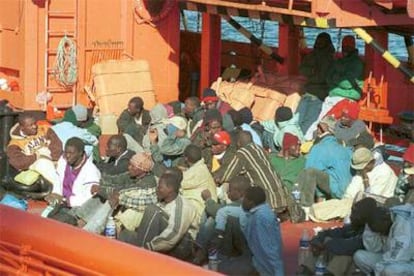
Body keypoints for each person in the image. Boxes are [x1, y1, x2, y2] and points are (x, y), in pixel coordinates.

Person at [118, 172, 199, 261]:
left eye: (160, 187)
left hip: (182, 245)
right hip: (161, 240)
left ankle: (141, 257)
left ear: (170, 189)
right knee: (125, 234)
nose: (157, 190)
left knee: (152, 210)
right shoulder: (163, 200)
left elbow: (174, 234)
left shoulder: (182, 206)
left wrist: (148, 247)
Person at [309, 147, 397, 222]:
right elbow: (351, 190)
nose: (361, 170)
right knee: (338, 204)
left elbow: (371, 199)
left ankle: (319, 214)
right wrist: (345, 200)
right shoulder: (364, 169)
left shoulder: (384, 173)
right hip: (358, 200)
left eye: (362, 167)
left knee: (344, 208)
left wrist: (366, 179)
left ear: (371, 162)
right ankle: (313, 211)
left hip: (378, 205)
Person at [304, 35, 364, 140]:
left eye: (348, 47)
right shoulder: (338, 61)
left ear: (353, 47)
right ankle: (309, 139)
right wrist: (339, 78)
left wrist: (336, 78)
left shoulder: (356, 63)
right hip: (332, 96)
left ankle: (313, 140)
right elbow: (328, 77)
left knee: (328, 122)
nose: (345, 49)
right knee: (320, 119)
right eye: (344, 46)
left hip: (346, 98)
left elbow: (347, 83)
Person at [300, 198, 377, 275]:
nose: (350, 216)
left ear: (364, 217)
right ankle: (306, 271)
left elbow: (349, 247)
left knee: (344, 256)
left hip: (359, 269)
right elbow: (329, 232)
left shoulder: (369, 234)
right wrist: (318, 239)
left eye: (355, 213)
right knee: (324, 241)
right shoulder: (352, 227)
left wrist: (325, 244)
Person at [216, 131, 288, 213]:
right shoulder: (259, 148)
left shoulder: (242, 153)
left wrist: (216, 178)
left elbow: (227, 175)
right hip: (282, 198)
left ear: (238, 143)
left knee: (229, 187)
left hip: (267, 202)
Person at [298, 115, 352, 209]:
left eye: (318, 127)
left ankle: (305, 206)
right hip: (349, 190)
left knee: (309, 172)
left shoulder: (319, 148)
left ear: (323, 128)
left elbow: (310, 171)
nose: (316, 130)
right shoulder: (344, 148)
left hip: (338, 191)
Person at [353, 204, 414, 275]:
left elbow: (396, 258)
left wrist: (376, 272)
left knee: (390, 271)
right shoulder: (386, 217)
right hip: (390, 257)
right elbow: (374, 248)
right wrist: (370, 230)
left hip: (408, 261)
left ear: (386, 220)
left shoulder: (404, 229)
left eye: (381, 231)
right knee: (359, 256)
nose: (381, 233)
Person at [240, 186, 285, 276]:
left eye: (244, 198)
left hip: (265, 268)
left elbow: (267, 247)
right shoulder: (262, 212)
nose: (242, 201)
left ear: (251, 202)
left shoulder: (259, 217)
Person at [297, 32, 335, 134]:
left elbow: (323, 77)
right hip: (309, 93)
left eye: (321, 42)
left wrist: (312, 73)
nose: (319, 44)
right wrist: (312, 71)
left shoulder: (328, 58)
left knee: (306, 122)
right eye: (318, 42)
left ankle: (299, 141)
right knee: (299, 121)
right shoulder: (313, 55)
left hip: (318, 95)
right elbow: (301, 69)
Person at [46, 137, 101, 208]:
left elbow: (89, 197)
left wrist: (65, 201)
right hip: (60, 202)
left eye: (71, 153)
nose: (67, 156)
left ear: (80, 153)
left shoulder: (91, 171)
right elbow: (57, 178)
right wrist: (55, 194)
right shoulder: (63, 160)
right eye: (66, 152)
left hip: (77, 207)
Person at [7, 113, 62, 177]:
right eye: (31, 125)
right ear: (22, 128)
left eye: (35, 123)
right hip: (36, 162)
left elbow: (56, 143)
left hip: (52, 157)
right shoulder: (15, 144)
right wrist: (36, 156)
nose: (35, 126)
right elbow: (17, 162)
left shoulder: (43, 129)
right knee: (45, 166)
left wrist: (55, 158)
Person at [180, 144, 217, 219]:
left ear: (186, 158)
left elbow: (178, 184)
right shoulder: (202, 168)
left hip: (200, 215)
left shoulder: (196, 172)